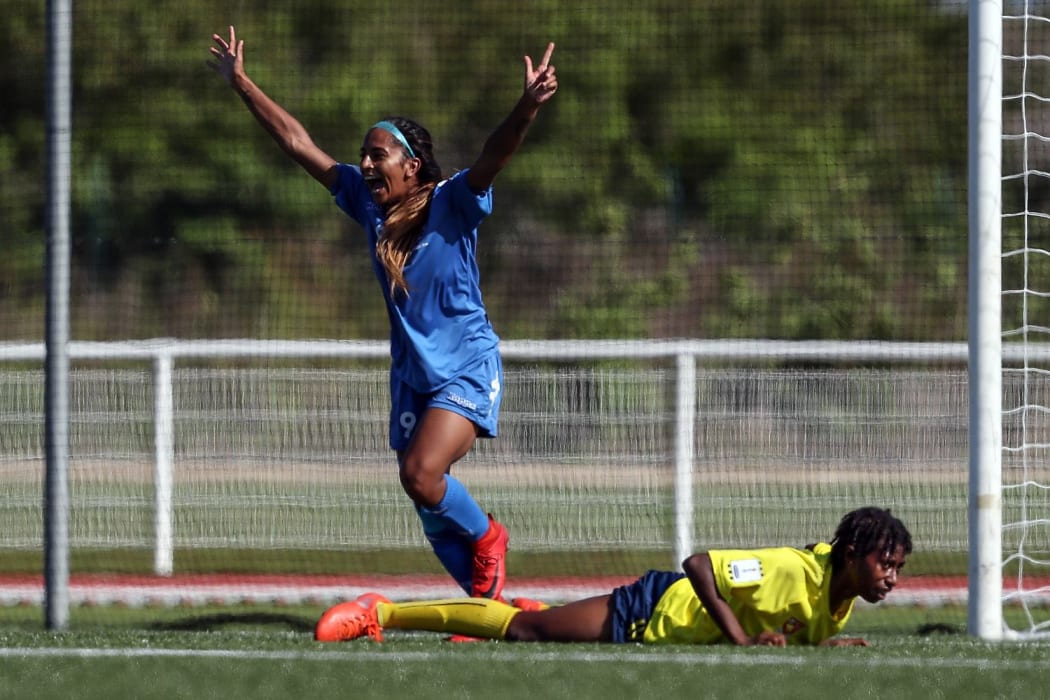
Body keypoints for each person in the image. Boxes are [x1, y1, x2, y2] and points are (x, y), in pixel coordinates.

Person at [207, 26, 558, 603]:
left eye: (379, 154)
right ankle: (483, 608)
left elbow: (495, 152)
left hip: (466, 365)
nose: (366, 163)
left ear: (414, 166)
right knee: (422, 494)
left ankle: (491, 536)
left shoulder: (453, 201)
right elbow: (297, 142)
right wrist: (241, 84)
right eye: (364, 154)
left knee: (422, 473)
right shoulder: (369, 207)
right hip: (413, 376)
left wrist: (527, 105)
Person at [313, 506, 912, 647]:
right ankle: (383, 611)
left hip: (664, 629)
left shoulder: (838, 599)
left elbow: (778, 630)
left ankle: (541, 605)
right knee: (524, 632)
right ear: (853, 551)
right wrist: (739, 640)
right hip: (651, 612)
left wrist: (823, 642)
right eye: (885, 562)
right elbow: (700, 565)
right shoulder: (791, 568)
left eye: (898, 569)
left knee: (538, 621)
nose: (891, 577)